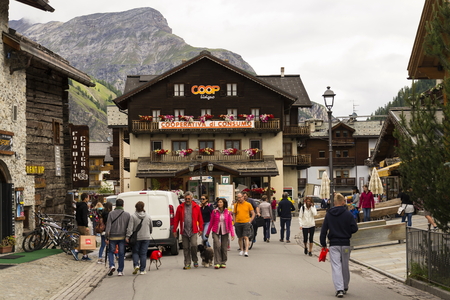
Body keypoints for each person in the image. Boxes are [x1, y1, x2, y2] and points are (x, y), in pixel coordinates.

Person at [320, 193, 358, 298]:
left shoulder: (329, 214)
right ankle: (345, 286)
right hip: (345, 244)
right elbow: (355, 228)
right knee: (345, 265)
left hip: (334, 244)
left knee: (336, 266)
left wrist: (323, 243)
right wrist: (347, 231)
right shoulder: (348, 214)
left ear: (334, 203)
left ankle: (339, 289)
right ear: (343, 202)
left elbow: (323, 230)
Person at [173, 191, 204, 269]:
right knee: (186, 247)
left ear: (191, 199)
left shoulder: (196, 207)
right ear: (184, 199)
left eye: (189, 199)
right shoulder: (180, 207)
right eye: (186, 198)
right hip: (184, 230)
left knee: (194, 245)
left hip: (193, 230)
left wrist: (201, 228)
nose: (187, 200)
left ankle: (195, 260)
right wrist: (174, 230)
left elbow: (200, 218)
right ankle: (187, 262)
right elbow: (176, 219)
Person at [205, 198, 235, 269]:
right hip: (216, 231)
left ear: (224, 203)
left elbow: (230, 224)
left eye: (221, 202)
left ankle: (223, 262)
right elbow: (211, 222)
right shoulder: (214, 211)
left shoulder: (227, 212)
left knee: (224, 247)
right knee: (217, 245)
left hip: (225, 231)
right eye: (218, 202)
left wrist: (232, 234)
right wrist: (207, 232)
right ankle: (217, 262)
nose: (219, 203)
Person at [105, 198, 131, 276]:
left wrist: (106, 237)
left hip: (112, 237)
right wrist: (127, 236)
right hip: (122, 237)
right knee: (121, 254)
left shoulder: (111, 214)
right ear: (123, 205)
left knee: (111, 252)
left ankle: (112, 265)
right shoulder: (127, 214)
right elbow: (128, 227)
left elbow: (108, 226)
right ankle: (120, 271)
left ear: (115, 205)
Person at [126, 201, 152, 275]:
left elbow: (130, 228)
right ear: (143, 207)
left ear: (136, 208)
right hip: (146, 237)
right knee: (143, 253)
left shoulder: (133, 216)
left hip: (136, 238)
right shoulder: (148, 216)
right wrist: (149, 232)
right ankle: (142, 270)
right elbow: (151, 226)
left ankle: (136, 265)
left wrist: (128, 236)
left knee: (135, 252)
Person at [233, 192, 255, 257]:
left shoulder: (248, 204)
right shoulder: (236, 205)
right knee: (240, 237)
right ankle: (241, 250)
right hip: (238, 222)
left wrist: (250, 220)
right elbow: (234, 214)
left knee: (246, 236)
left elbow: (253, 213)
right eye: (237, 197)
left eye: (239, 197)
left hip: (246, 222)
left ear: (243, 197)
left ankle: (246, 251)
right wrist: (234, 222)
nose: (238, 199)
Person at [72, 193, 91, 261]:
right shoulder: (84, 206)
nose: (88, 198)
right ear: (85, 198)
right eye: (88, 197)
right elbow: (84, 217)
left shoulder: (79, 205)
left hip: (79, 224)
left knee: (83, 239)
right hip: (83, 225)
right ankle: (76, 251)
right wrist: (86, 226)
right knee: (85, 240)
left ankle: (85, 255)